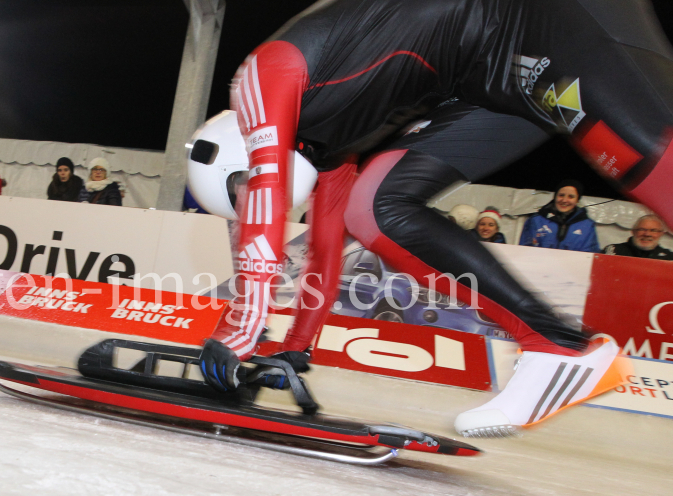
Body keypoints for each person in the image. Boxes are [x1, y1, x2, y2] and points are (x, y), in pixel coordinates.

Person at [192, 0, 673, 438]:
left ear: (244, 147)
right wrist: (296, 345)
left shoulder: (261, 77)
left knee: (660, 172)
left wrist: (239, 327)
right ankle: (558, 346)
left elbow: (268, 195)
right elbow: (323, 248)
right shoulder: (325, 150)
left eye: (241, 188)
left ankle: (560, 348)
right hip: (489, 80)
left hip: (545, 17)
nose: (249, 201)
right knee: (373, 209)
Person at [519, 181, 600, 252]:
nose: (564, 200)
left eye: (571, 197)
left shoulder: (587, 226)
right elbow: (524, 251)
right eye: (561, 195)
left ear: (577, 200)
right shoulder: (536, 220)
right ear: (555, 197)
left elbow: (590, 255)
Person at [603, 214, 673, 260]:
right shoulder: (615, 251)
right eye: (642, 229)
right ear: (633, 231)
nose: (647, 234)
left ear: (661, 234)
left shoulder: (669, 257)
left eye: (653, 230)